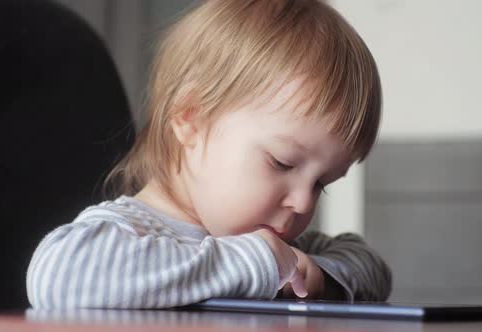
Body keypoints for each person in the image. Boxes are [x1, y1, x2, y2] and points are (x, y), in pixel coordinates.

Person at [26, 0, 392, 309]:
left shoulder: (285, 252)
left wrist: (320, 277)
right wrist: (255, 264)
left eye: (321, 184)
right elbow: (58, 275)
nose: (302, 203)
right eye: (281, 162)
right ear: (191, 120)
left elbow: (370, 265)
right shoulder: (128, 232)